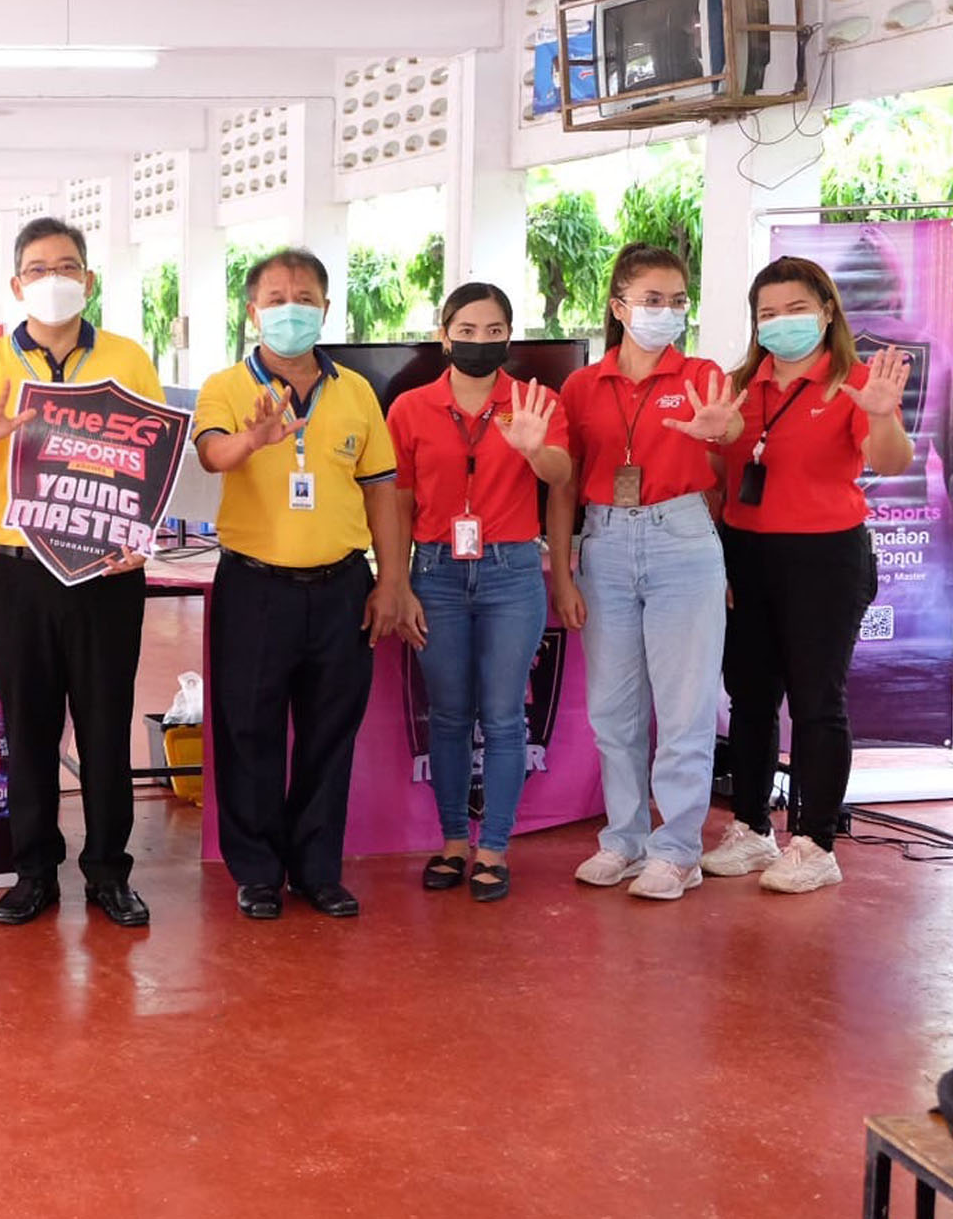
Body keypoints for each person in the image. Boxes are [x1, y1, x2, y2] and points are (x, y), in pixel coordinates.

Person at [0, 217, 164, 929]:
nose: (53, 279)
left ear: (88, 280)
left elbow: (150, 457)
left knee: (103, 725)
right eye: (38, 268)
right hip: (19, 572)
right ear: (16, 283)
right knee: (27, 728)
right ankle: (34, 870)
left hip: (104, 573)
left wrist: (140, 534)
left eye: (66, 267)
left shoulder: (127, 358)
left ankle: (107, 871)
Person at [193, 249, 405, 920]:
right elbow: (211, 453)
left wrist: (390, 580)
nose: (292, 307)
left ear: (325, 308)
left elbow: (383, 493)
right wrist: (252, 438)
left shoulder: (357, 392)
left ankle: (317, 869)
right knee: (248, 730)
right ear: (254, 311)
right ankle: (256, 870)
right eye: (278, 297)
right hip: (255, 588)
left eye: (305, 296)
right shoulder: (225, 386)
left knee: (328, 732)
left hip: (342, 587)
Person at [702, 256, 913, 893]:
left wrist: (880, 414)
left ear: (826, 311)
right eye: (768, 313)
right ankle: (752, 828)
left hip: (825, 556)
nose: (782, 323)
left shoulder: (850, 381)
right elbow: (719, 477)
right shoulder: (740, 384)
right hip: (746, 552)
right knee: (751, 695)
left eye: (796, 309)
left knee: (818, 702)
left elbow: (892, 460)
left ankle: (816, 841)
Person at [547, 243, 747, 901]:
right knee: (612, 707)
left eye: (677, 301)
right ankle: (624, 838)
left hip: (681, 539)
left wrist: (723, 430)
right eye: (651, 300)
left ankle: (679, 848)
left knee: (685, 707)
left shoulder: (702, 374)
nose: (666, 313)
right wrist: (563, 572)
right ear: (618, 305)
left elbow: (728, 453)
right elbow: (564, 484)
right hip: (604, 543)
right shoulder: (582, 385)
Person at [388, 283, 571, 903]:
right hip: (435, 571)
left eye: (495, 331)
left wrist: (533, 447)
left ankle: (493, 846)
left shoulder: (535, 403)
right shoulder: (410, 408)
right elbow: (400, 496)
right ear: (445, 335)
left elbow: (562, 476)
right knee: (446, 714)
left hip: (511, 571)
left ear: (509, 337)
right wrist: (398, 578)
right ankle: (451, 842)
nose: (480, 342)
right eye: (467, 330)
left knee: (502, 716)